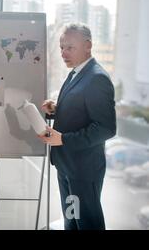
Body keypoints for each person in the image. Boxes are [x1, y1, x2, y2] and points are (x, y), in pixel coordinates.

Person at [39, 23, 116, 230]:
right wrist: (56, 109)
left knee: (87, 225)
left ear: (88, 45)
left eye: (69, 47)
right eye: (61, 47)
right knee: (72, 223)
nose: (63, 52)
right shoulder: (77, 73)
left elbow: (106, 128)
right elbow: (82, 111)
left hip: (83, 169)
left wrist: (63, 139)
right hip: (67, 166)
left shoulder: (97, 78)